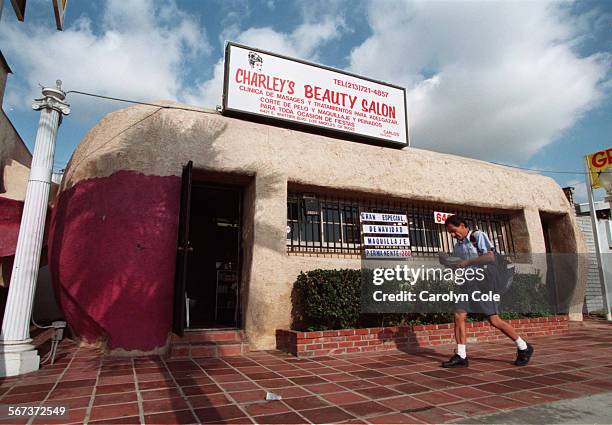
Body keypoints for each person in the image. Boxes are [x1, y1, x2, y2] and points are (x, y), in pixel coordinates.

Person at [441, 214, 533, 368]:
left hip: (483, 284)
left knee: (494, 320)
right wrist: (448, 263)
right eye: (450, 232)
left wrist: (468, 262)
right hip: (467, 283)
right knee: (458, 315)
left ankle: (524, 347)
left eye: (454, 230)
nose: (452, 235)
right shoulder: (458, 246)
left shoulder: (477, 236)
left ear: (463, 225)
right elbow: (460, 264)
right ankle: (461, 356)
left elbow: (490, 257)